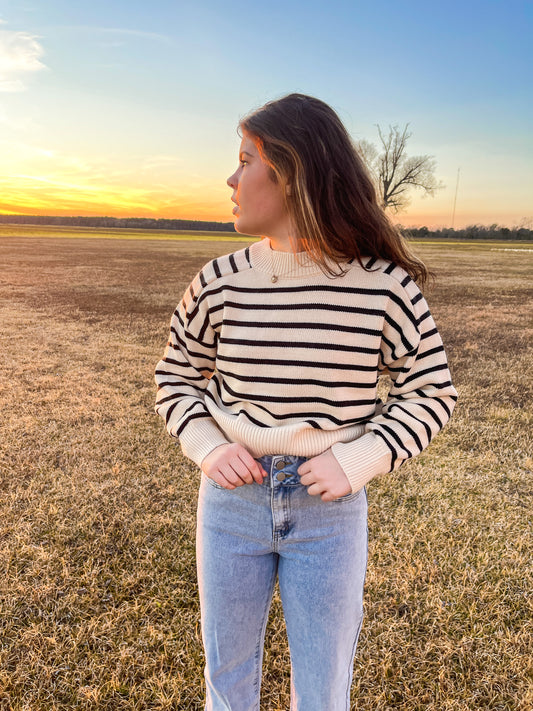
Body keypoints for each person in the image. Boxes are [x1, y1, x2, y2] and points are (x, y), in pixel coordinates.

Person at [155, 93, 457, 711]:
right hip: (231, 505)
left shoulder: (383, 286)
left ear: (291, 173)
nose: (231, 179)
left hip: (329, 515)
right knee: (227, 687)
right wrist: (209, 448)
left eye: (245, 160)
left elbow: (431, 391)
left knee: (322, 694)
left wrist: (357, 461)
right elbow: (176, 376)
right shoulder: (218, 281)